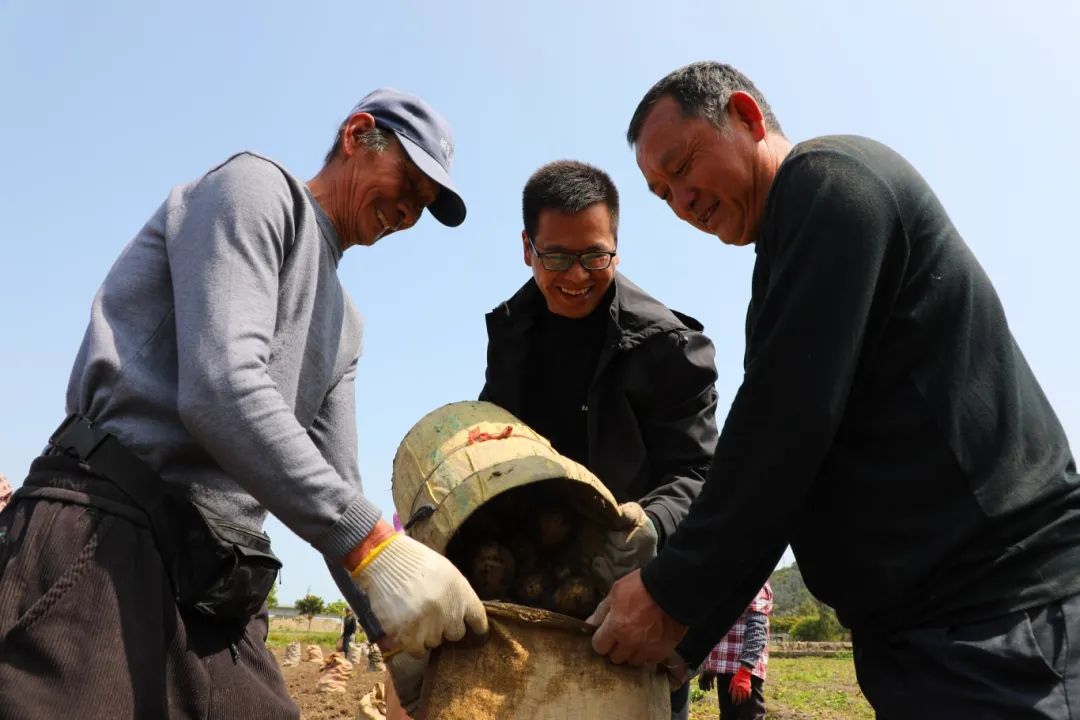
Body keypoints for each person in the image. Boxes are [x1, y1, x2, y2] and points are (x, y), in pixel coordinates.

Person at [588, 61, 1080, 719]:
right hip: (926, 637)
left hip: (1005, 619)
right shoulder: (784, 263)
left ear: (746, 115)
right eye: (661, 193)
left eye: (682, 167)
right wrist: (687, 635)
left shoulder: (831, 181)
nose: (682, 201)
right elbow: (791, 475)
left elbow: (782, 428)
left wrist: (670, 592)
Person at [0, 88, 486, 718]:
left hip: (215, 576)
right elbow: (221, 388)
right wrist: (375, 547)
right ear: (357, 135)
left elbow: (336, 486)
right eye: (408, 182)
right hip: (106, 528)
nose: (408, 211)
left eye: (423, 204)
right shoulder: (257, 190)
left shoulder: (346, 326)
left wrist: (395, 637)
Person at [481, 160, 721, 720]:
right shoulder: (512, 332)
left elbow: (701, 475)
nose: (577, 275)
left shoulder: (671, 347)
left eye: (595, 255)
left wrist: (643, 524)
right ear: (527, 249)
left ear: (616, 245)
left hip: (631, 603)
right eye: (557, 257)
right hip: (528, 597)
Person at [697, 583, 772, 720]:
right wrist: (709, 668)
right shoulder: (731, 578)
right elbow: (716, 627)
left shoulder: (756, 582)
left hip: (744, 670)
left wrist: (745, 671)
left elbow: (757, 629)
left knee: (749, 716)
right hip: (725, 668)